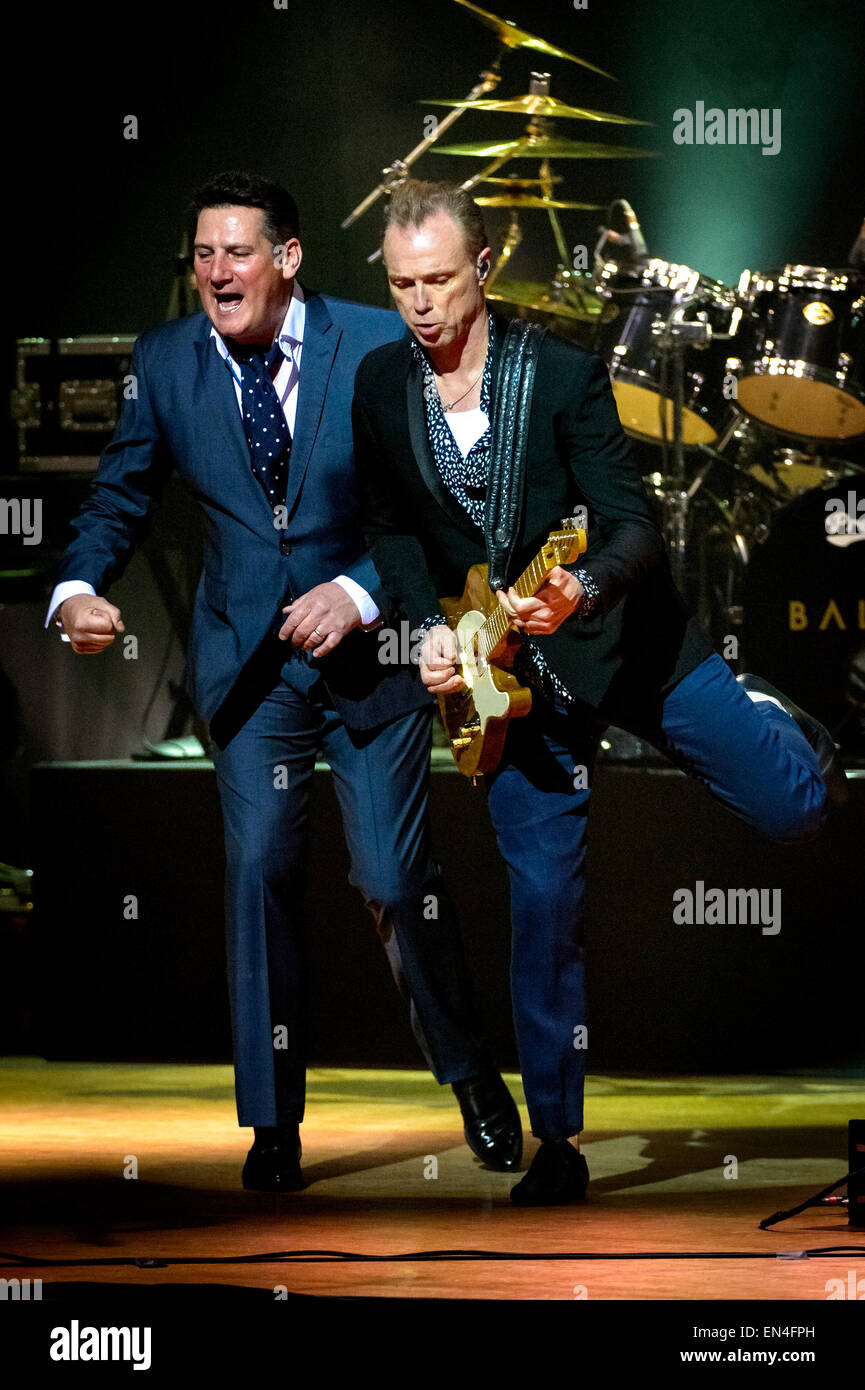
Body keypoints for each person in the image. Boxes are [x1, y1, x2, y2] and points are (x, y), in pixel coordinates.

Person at [351, 178, 843, 1207]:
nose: (422, 305)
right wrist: (436, 625)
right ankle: (558, 1141)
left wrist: (580, 585)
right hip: (513, 678)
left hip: (630, 643)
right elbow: (393, 527)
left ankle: (765, 712)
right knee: (544, 906)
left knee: (795, 811)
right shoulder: (378, 385)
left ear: (483, 268)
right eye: (402, 285)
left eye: (439, 279)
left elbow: (633, 526)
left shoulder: (564, 375)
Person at [46, 171, 522, 1191]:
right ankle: (271, 1125)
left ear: (289, 257)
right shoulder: (165, 360)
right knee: (259, 873)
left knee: (393, 882)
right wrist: (78, 587)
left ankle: (471, 1070)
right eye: (203, 255)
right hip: (248, 667)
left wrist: (356, 590)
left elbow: (440, 502)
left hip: (372, 659)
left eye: (238, 252)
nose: (217, 273)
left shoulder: (373, 344)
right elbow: (121, 492)